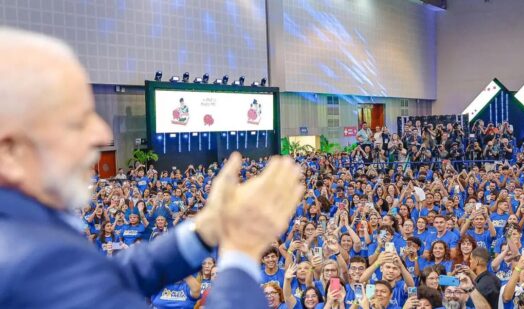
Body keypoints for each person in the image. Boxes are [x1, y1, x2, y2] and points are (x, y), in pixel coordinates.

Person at [0, 28, 304, 308]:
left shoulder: (25, 236)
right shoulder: (31, 263)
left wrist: (206, 227)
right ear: (11, 150)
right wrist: (241, 252)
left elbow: (107, 278)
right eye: (76, 122)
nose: (103, 134)